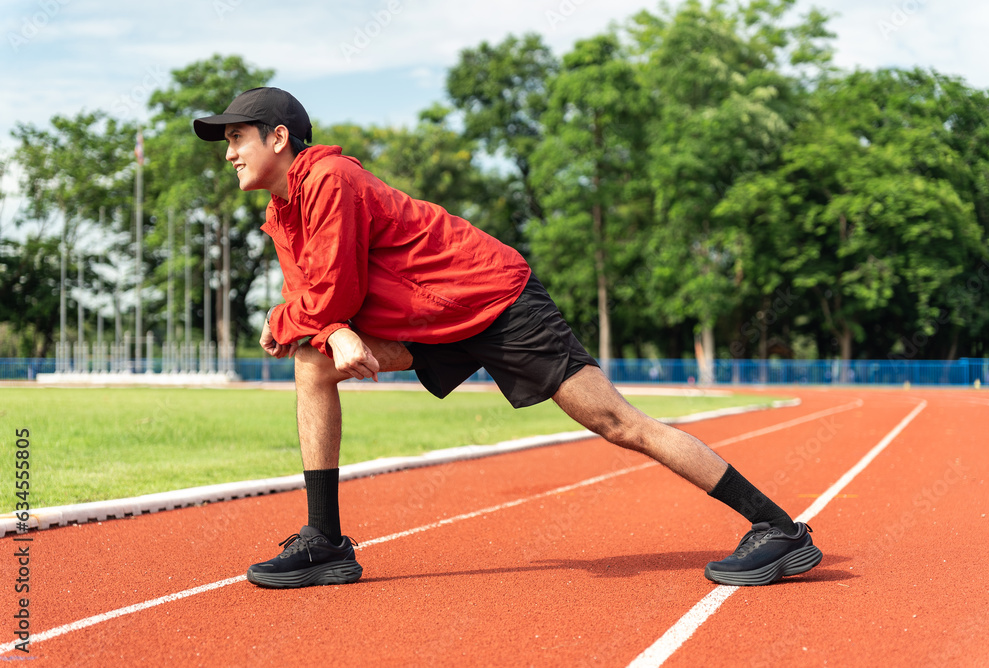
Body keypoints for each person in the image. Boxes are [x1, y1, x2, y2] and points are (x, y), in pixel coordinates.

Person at [193, 87, 822, 589]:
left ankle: (778, 529)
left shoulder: (329, 178)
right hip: (434, 321)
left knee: (617, 422)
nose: (229, 153)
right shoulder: (282, 213)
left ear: (279, 137)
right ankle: (325, 540)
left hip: (496, 302)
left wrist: (320, 324)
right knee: (313, 363)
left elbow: (332, 292)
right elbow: (313, 300)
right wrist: (320, 330)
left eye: (237, 137)